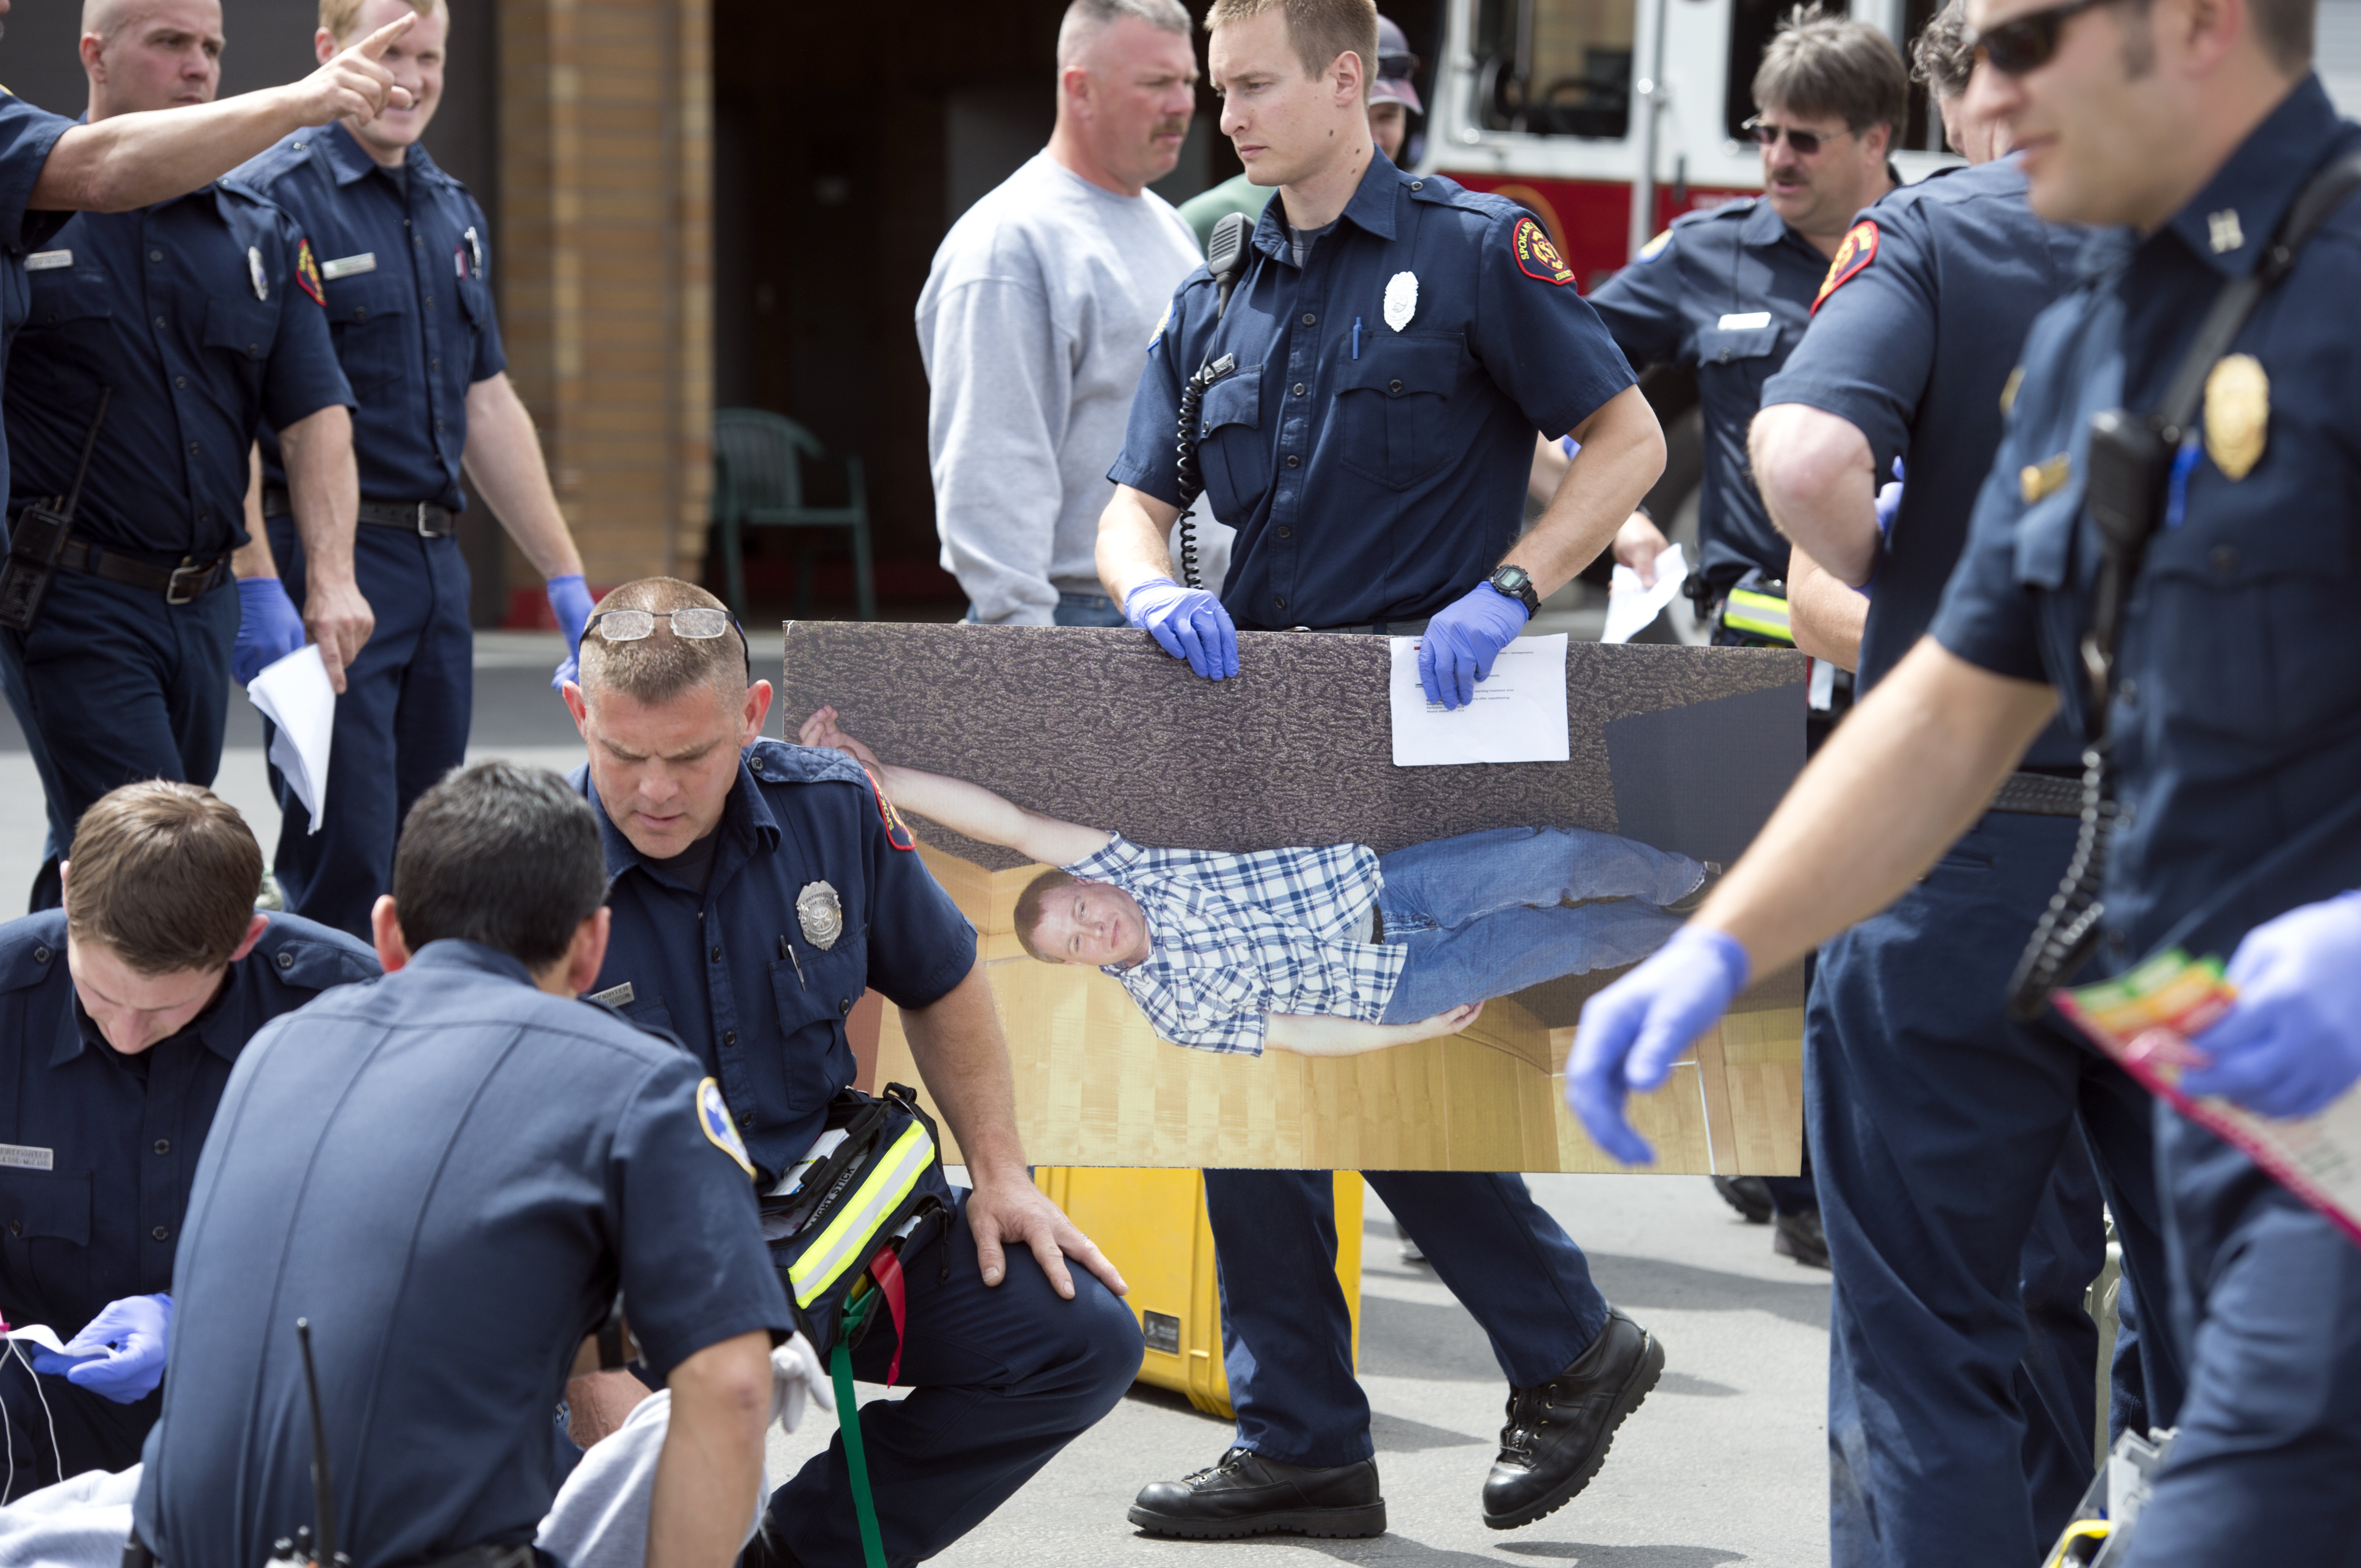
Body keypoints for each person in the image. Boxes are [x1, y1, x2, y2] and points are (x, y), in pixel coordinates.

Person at [1571, 0, 2361, 1553]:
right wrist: (1723, 943)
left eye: (2021, 42)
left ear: (2194, 26)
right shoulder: (2107, 326)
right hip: (2203, 1045)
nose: (1978, 93)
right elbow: (1948, 704)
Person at [1096, 0, 1667, 1537]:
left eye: (1253, 85)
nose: (1225, 116)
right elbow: (1132, 501)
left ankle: (1529, 1356)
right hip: (1256, 728)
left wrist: (1514, 585)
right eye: (1216, 88)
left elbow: (1624, 441)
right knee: (1258, 1069)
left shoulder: (1475, 252)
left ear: (1347, 82)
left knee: (1357, 1059)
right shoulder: (1216, 290)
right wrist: (1145, 590)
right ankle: (1330, 1427)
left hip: (1419, 722)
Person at [1743, 5, 2175, 1558]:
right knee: (2241, 1343)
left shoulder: (1936, 234)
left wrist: (1928, 586)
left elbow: (1803, 464)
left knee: (1924, 1343)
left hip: (1969, 838)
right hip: (2208, 859)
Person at [557, 576, 1141, 1568]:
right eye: (623, 754)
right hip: (630, 1282)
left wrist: (1002, 1174)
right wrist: (592, 1381)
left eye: (690, 757)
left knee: (1080, 1337)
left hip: (824, 1232)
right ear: (579, 713)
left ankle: (796, 1556)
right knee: (590, 1495)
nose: (654, 790)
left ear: (753, 715)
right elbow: (499, 1172)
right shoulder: (531, 874)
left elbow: (944, 978)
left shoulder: (830, 808)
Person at [131, 761, 787, 1568]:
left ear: (387, 935)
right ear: (591, 948)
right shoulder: (644, 1086)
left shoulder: (277, 1048)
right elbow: (733, 1386)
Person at [2, 0, 388, 916]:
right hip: (75, 598)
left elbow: (312, 412)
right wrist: (303, 100)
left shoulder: (258, 227)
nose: (199, 66)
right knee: (159, 856)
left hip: (206, 605)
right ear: (94, 55)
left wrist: (324, 576)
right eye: (170, 42)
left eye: (211, 46)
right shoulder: (37, 196)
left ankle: (42, 994)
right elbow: (105, 168)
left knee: (100, 850)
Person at [222, 0, 594, 942]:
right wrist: (260, 580)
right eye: (389, 55)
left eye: (430, 57)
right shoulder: (270, 199)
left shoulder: (449, 208)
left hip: (435, 567)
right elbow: (228, 415)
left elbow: (487, 404)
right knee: (345, 859)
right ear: (327, 51)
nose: (412, 81)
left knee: (438, 854)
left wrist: (565, 578)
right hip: (330, 570)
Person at [799, 703, 1712, 1055]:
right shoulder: (1172, 1012)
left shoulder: (1133, 866)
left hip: (1385, 891)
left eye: (1078, 909)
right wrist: (1409, 1035)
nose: (1090, 927)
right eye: (1076, 943)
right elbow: (1297, 1036)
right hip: (1400, 987)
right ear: (1085, 966)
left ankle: (1688, 877)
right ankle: (1704, 936)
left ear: (1091, 886)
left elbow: (1012, 825)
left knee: (1552, 856)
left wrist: (884, 780)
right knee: (1569, 942)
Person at [0, 782, 376, 1498]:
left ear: (246, 939)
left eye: (165, 1008)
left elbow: (398, 1246)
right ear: (68, 889)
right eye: (99, 995)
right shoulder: (5, 998)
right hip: (50, 1403)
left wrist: (198, 1318)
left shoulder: (348, 1012)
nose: (125, 1033)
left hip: (280, 1400)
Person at [1584, 4, 1904, 642]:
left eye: (1804, 139)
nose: (1778, 158)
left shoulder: (1934, 249)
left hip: (1897, 641)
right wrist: (1611, 512)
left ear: (1875, 140)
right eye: (1765, 132)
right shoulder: (1701, 253)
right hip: (1758, 650)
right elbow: (1549, 370)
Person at [918, 0, 1206, 630]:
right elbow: (992, 469)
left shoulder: (1170, 229)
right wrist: (1026, 644)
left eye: (1187, 81)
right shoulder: (1008, 246)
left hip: (1175, 614)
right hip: (1074, 617)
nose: (1182, 103)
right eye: (1156, 82)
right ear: (1080, 89)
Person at [1177, 12, 1422, 251]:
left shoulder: (1437, 234)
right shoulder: (1217, 225)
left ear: (1344, 80)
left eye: (1255, 85)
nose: (1227, 123)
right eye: (1223, 92)